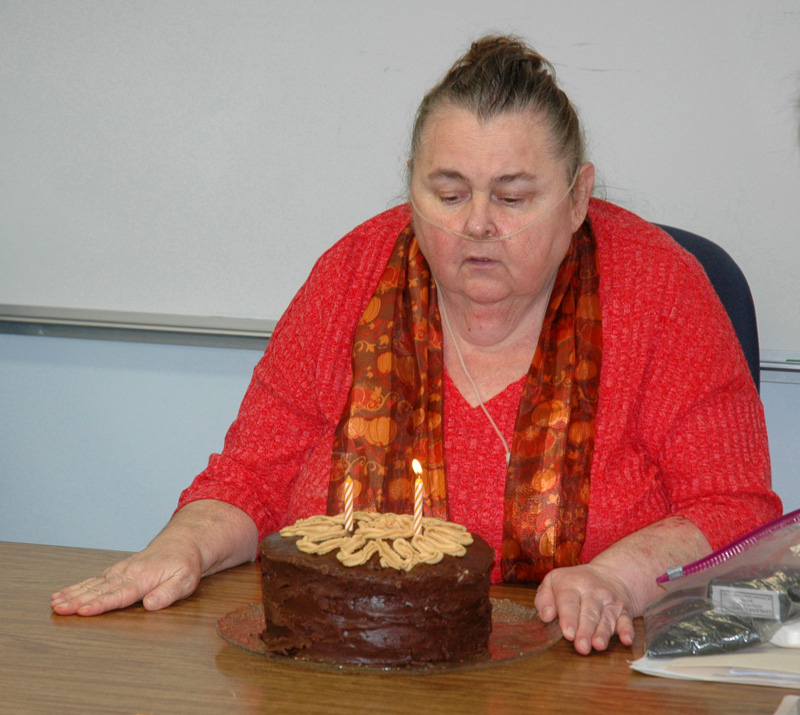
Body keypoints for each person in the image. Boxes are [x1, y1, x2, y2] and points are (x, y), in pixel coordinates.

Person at [51, 35, 782, 655]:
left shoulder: (663, 293)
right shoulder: (351, 277)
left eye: (514, 196)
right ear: (412, 188)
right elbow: (252, 477)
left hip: (584, 690)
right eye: (450, 192)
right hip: (345, 677)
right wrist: (179, 547)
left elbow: (737, 514)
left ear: (579, 198)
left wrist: (616, 576)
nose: (478, 225)